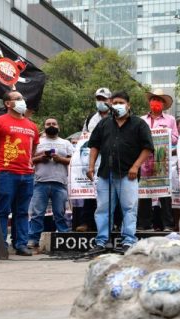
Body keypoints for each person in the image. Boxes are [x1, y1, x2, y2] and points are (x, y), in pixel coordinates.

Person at [86, 90, 153, 253]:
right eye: (114, 103)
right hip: (105, 173)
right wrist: (90, 166)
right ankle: (101, 241)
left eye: (121, 103)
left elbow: (148, 148)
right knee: (103, 208)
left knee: (129, 208)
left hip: (128, 174)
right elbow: (94, 145)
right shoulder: (104, 123)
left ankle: (128, 241)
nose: (117, 106)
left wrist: (136, 166)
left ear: (128, 105)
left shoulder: (139, 124)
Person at [0, 91, 39, 256]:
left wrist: (28, 164)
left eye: (23, 98)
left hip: (27, 174)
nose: (22, 101)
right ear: (8, 103)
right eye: (18, 99)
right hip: (6, 173)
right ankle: (1, 245)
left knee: (22, 211)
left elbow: (33, 149)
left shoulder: (32, 126)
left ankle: (21, 244)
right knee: (2, 210)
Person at [27, 118, 74, 249]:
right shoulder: (38, 142)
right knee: (37, 213)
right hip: (40, 182)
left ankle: (64, 237)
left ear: (58, 127)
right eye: (48, 124)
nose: (51, 125)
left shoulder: (66, 143)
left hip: (60, 183)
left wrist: (60, 159)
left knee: (60, 212)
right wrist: (40, 158)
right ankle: (33, 239)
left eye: (54, 123)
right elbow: (29, 159)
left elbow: (72, 161)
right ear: (44, 126)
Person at [73, 88, 112, 233]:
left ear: (110, 100)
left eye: (104, 99)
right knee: (90, 191)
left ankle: (113, 223)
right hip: (93, 158)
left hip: (111, 158)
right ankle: (86, 222)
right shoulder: (90, 118)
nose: (101, 102)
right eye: (98, 99)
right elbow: (84, 137)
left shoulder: (117, 116)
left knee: (112, 192)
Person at [138, 89, 178, 232]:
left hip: (162, 160)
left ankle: (167, 224)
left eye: (159, 100)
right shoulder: (141, 120)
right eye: (154, 99)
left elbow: (175, 139)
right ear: (150, 102)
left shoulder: (170, 120)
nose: (156, 102)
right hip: (144, 161)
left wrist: (165, 134)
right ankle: (144, 224)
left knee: (164, 193)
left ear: (163, 104)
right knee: (144, 191)